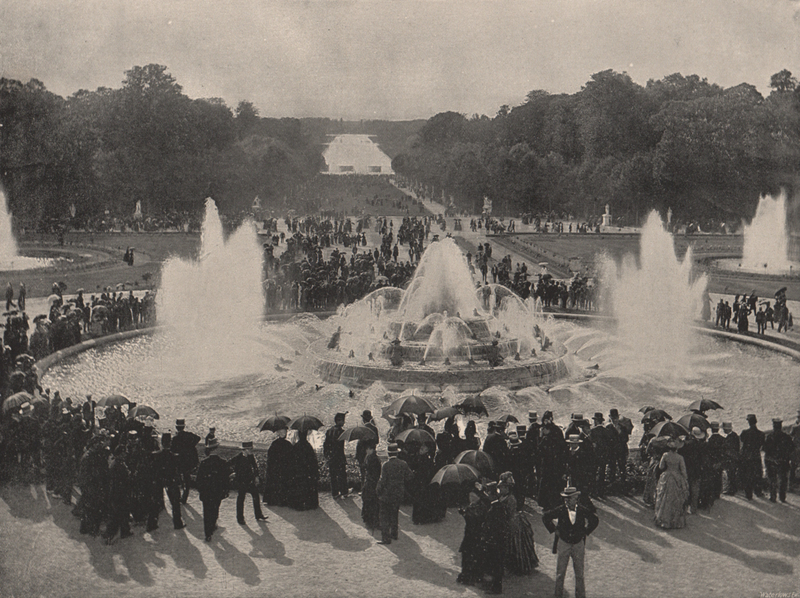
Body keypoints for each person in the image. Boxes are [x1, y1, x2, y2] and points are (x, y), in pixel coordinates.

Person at [542, 486, 599, 598]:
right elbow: (545, 517)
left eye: (569, 498)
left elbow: (595, 520)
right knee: (560, 573)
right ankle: (558, 595)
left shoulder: (582, 510)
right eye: (565, 499)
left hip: (578, 544)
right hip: (564, 544)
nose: (567, 501)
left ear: (576, 498)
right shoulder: (560, 510)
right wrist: (554, 530)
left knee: (579, 574)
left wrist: (586, 532)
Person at [375, 443, 414, 545]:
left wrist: (378, 491)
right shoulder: (403, 464)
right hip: (398, 493)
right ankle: (394, 534)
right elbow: (410, 476)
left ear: (388, 454)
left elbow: (382, 481)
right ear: (397, 453)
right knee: (394, 513)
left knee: (384, 516)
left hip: (387, 494)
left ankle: (386, 538)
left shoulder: (386, 465)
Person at [195, 438, 230, 542]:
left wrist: (201, 490)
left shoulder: (204, 463)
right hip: (217, 492)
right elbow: (225, 479)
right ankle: (213, 524)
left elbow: (199, 480)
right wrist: (225, 491)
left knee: (206, 512)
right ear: (217, 449)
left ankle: (207, 533)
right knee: (215, 510)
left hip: (206, 492)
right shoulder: (222, 462)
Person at [228, 441, 268, 524]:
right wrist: (233, 473)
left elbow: (255, 467)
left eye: (251, 449)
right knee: (241, 499)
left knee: (256, 496)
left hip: (250, 481)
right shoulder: (238, 458)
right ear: (245, 450)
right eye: (250, 449)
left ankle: (258, 515)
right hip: (241, 482)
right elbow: (228, 464)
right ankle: (240, 518)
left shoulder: (251, 456)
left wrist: (256, 476)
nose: (251, 451)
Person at [457, 485, 488, 586]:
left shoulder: (478, 507)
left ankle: (470, 576)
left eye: (473, 497)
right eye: (470, 497)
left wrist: (465, 514)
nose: (471, 499)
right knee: (468, 555)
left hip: (474, 534)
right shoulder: (474, 506)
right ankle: (468, 575)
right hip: (471, 534)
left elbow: (474, 520)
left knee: (471, 555)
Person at [654, 438, 689, 529]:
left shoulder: (665, 455)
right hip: (677, 477)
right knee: (676, 499)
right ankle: (675, 521)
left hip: (667, 476)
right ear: (677, 448)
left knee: (664, 498)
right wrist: (685, 480)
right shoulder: (680, 457)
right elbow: (683, 470)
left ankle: (663, 519)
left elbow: (661, 467)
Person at [153, 432, 185, 530]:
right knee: (175, 503)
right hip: (171, 481)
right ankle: (177, 523)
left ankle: (152, 524)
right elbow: (177, 471)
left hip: (159, 480)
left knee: (155, 503)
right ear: (170, 443)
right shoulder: (175, 456)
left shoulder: (156, 455)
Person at [104, 445, 134, 544]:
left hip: (119, 492)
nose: (126, 454)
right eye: (124, 452)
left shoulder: (117, 463)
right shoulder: (118, 465)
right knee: (117, 515)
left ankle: (125, 531)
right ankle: (109, 536)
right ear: (120, 454)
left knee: (123, 513)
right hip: (119, 493)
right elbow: (123, 479)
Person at [763, 418, 794, 503]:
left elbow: (765, 449)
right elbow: (791, 449)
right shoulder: (786, 437)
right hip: (783, 461)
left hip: (772, 461)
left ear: (773, 426)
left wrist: (773, 458)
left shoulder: (769, 437)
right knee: (783, 479)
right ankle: (782, 497)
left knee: (772, 479)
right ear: (780, 426)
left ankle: (773, 496)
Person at [288, 428, 319, 510]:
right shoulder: (308, 446)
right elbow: (313, 462)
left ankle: (299, 504)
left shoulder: (296, 446)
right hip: (307, 472)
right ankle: (311, 504)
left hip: (298, 472)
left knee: (299, 487)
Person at [172, 419, 201, 504]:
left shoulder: (175, 438)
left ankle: (180, 496)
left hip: (179, 460)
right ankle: (185, 497)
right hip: (188, 460)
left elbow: (173, 450)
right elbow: (198, 438)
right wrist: (191, 446)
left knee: (178, 478)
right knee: (186, 477)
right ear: (184, 427)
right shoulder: (188, 435)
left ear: (176, 427)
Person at [265, 426, 293, 507]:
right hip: (284, 468)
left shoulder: (274, 443)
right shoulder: (288, 444)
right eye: (284, 432)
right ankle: (283, 501)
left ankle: (274, 500)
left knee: (276, 484)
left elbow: (270, 457)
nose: (286, 434)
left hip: (275, 468)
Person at [740, 414, 765, 500]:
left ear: (748, 422)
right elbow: (761, 444)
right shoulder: (761, 434)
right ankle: (758, 492)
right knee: (757, 474)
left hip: (747, 456)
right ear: (756, 422)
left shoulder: (744, 432)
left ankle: (748, 494)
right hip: (756, 456)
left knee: (747, 475)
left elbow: (742, 442)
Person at [323, 412, 349, 498]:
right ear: (339, 421)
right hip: (340, 457)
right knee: (342, 475)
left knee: (333, 476)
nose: (344, 422)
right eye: (343, 420)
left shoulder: (329, 431)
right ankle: (344, 492)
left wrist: (327, 455)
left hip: (332, 457)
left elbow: (325, 445)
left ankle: (335, 493)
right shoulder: (342, 432)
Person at [360, 438, 381, 533]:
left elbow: (370, 471)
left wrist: (363, 466)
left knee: (368, 502)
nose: (366, 450)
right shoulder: (374, 458)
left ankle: (369, 521)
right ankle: (373, 521)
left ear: (371, 449)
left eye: (367, 449)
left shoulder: (371, 458)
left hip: (370, 483)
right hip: (373, 483)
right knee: (373, 503)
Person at [721, 422, 740, 495]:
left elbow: (729, 449)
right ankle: (733, 488)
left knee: (731, 474)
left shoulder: (729, 438)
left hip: (731, 459)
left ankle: (732, 490)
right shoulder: (735, 435)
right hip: (734, 458)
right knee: (732, 474)